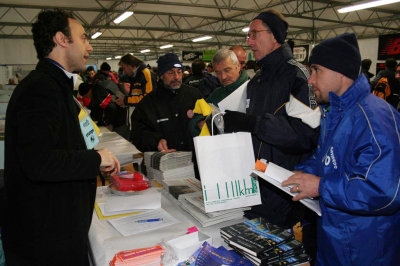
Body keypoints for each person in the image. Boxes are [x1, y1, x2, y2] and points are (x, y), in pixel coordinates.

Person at [2, 9, 120, 265]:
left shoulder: (57, 86)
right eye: (83, 38)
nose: (89, 46)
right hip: (44, 242)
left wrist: (96, 164)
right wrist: (94, 160)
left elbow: (63, 146)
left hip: (55, 230)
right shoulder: (40, 89)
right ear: (61, 39)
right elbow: (39, 162)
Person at [282, 32, 400, 265]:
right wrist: (299, 174)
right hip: (335, 239)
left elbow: (384, 192)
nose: (310, 79)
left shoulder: (373, 118)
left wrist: (321, 186)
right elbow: (326, 158)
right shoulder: (335, 112)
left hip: (365, 249)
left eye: (316, 70)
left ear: (340, 71)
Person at [222, 9, 320, 229]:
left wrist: (254, 124)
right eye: (248, 35)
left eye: (254, 34)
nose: (249, 41)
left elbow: (307, 135)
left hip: (283, 190)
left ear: (274, 36)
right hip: (253, 184)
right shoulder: (257, 80)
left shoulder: (297, 77)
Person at [131, 53, 203, 153]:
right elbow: (138, 133)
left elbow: (206, 119)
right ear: (161, 75)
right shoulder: (148, 103)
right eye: (170, 73)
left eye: (179, 72)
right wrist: (156, 141)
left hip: (194, 158)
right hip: (165, 162)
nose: (176, 77)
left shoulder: (194, 95)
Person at [189, 48, 249, 137]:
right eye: (218, 72)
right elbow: (197, 118)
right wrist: (199, 123)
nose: (223, 77)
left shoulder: (252, 89)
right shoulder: (216, 95)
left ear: (238, 66)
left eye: (227, 70)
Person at [116, 54, 157, 139]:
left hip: (145, 122)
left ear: (130, 65)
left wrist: (126, 100)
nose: (123, 71)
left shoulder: (146, 74)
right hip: (137, 121)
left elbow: (147, 97)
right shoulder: (134, 76)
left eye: (124, 68)